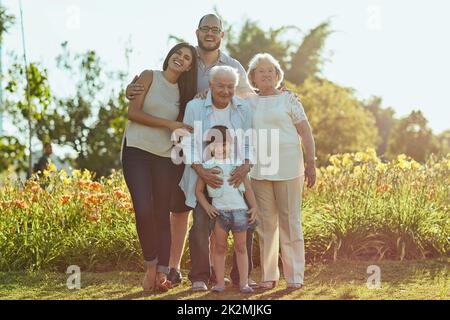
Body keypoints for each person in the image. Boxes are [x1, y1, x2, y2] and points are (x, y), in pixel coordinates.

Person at [125, 13, 255, 287]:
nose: (210, 33)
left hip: (224, 146)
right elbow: (163, 84)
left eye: (215, 29)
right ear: (197, 33)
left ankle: (231, 274)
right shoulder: (186, 59)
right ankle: (173, 268)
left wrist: (276, 92)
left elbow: (247, 97)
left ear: (221, 35)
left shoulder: (232, 65)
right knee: (183, 207)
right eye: (205, 29)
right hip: (185, 142)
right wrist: (133, 89)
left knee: (229, 201)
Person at [120, 42, 197, 292]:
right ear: (170, 55)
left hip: (165, 157)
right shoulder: (149, 76)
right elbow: (133, 112)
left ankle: (160, 273)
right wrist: (168, 123)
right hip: (136, 151)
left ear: (189, 67)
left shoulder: (185, 94)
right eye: (178, 53)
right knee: (143, 210)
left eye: (186, 58)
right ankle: (151, 266)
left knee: (161, 213)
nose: (180, 58)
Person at [179, 65, 254, 291]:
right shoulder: (195, 107)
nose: (225, 90)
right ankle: (201, 276)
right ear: (210, 86)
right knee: (201, 225)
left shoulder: (243, 108)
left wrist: (245, 166)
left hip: (234, 178)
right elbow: (187, 141)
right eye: (220, 85)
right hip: (203, 174)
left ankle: (242, 277)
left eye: (230, 86)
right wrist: (201, 170)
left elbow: (250, 142)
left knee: (243, 227)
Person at [246, 53, 317, 289]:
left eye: (271, 70)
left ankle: (295, 276)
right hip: (259, 169)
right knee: (265, 225)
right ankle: (269, 276)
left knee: (290, 222)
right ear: (253, 77)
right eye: (261, 70)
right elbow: (221, 96)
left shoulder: (289, 100)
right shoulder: (247, 101)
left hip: (288, 167)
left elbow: (305, 132)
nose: (266, 74)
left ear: (278, 76)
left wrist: (311, 163)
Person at [195, 125, 258, 294]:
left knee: (241, 247)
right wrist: (207, 207)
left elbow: (249, 189)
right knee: (220, 247)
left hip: (240, 212)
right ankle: (220, 283)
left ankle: (244, 283)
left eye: (225, 144)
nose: (222, 147)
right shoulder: (207, 166)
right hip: (220, 214)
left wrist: (254, 207)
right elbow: (198, 191)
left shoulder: (238, 164)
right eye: (217, 144)